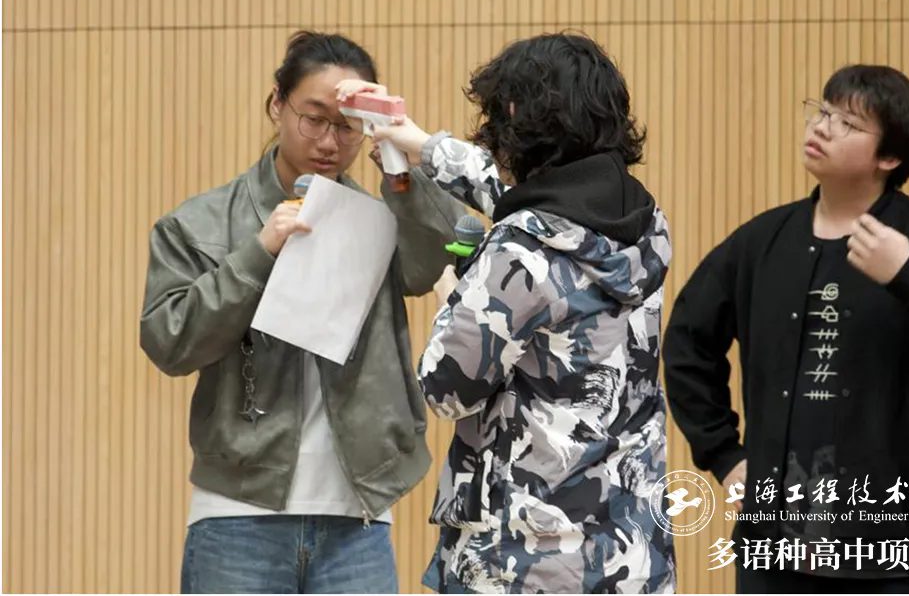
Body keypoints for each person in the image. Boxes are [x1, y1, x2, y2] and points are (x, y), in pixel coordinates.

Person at [345, 32, 678, 593]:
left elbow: (445, 388)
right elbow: (524, 198)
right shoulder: (644, 223)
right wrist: (422, 145)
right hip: (631, 553)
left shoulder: (518, 250)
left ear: (518, 117)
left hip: (523, 560)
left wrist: (455, 292)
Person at [139, 30, 466, 594]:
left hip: (358, 515)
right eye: (313, 119)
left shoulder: (380, 217)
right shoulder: (198, 223)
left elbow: (435, 260)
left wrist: (399, 160)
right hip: (237, 511)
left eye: (347, 126)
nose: (329, 141)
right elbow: (169, 342)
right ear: (277, 104)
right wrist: (258, 252)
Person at [662, 64, 909, 594]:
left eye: (848, 123)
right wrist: (724, 455)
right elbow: (687, 341)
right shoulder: (761, 242)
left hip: (899, 546)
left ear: (890, 157)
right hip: (776, 545)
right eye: (822, 112)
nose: (821, 127)